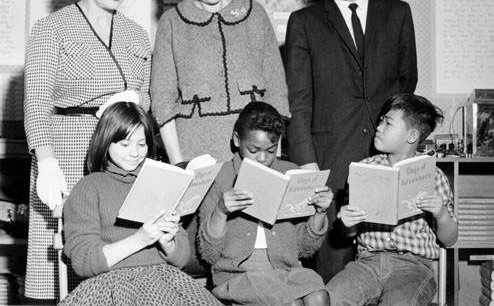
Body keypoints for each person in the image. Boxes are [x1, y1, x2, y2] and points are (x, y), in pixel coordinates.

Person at [283, 0, 418, 282]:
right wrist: (308, 166)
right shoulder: (303, 23)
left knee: (386, 263)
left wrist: (400, 151)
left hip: (387, 159)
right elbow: (297, 101)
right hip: (331, 160)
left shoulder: (398, 13)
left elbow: (408, 87)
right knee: (333, 269)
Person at [23, 0, 151, 300]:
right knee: (61, 259)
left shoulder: (137, 34)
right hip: (67, 151)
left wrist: (137, 99)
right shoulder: (52, 29)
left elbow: (146, 95)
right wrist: (46, 163)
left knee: (112, 250)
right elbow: (36, 104)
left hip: (118, 157)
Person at [58, 102, 221, 306]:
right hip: (109, 287)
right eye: (125, 144)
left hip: (165, 283)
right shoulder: (89, 187)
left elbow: (181, 259)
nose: (135, 152)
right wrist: (140, 239)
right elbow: (83, 261)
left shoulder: (159, 180)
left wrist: (167, 242)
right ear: (106, 142)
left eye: (142, 144)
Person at [151, 0, 289, 165]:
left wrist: (274, 159)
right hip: (195, 153)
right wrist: (179, 164)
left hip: (255, 154)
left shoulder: (255, 14)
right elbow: (162, 102)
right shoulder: (171, 23)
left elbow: (276, 92)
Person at [326, 93, 458, 306]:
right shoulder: (365, 169)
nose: (378, 127)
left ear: (411, 136)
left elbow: (449, 239)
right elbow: (348, 233)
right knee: (330, 298)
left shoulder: (433, 175)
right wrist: (346, 223)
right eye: (380, 121)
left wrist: (441, 213)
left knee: (399, 302)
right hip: (367, 263)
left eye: (388, 123)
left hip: (412, 267)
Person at [197, 101, 332, 306]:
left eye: (270, 150)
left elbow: (305, 249)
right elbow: (209, 253)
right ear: (236, 140)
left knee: (319, 296)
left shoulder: (290, 172)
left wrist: (320, 213)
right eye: (253, 149)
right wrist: (221, 211)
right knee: (292, 304)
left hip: (284, 270)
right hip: (237, 275)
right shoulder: (219, 177)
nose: (262, 158)